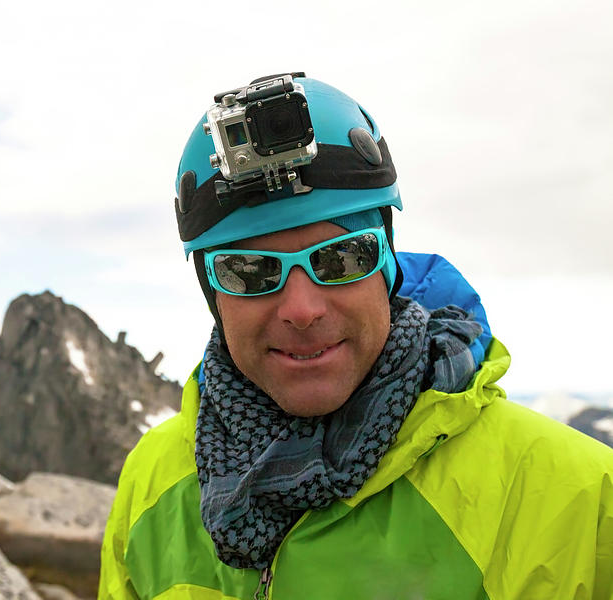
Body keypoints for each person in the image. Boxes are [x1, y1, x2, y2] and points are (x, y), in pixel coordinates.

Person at [98, 73, 613, 599]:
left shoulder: (579, 498)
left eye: (342, 258)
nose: (300, 310)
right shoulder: (151, 482)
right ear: (213, 294)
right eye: (249, 271)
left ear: (385, 264)